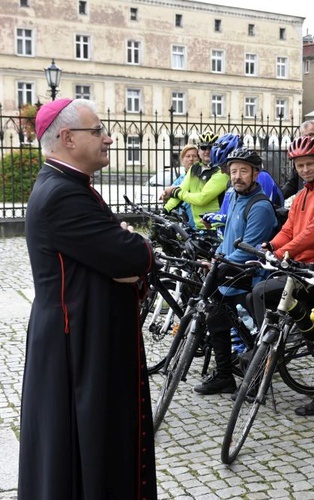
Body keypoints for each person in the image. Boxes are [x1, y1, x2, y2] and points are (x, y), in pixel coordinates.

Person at [19, 98, 157, 499]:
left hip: (82, 335)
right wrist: (133, 243)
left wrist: (123, 248)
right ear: (67, 138)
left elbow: (119, 255)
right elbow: (134, 256)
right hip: (76, 347)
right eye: (97, 131)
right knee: (83, 450)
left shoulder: (67, 186)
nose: (108, 138)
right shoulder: (63, 195)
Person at [252, 135, 314, 416]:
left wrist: (285, 251)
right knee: (259, 294)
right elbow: (291, 229)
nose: (304, 169)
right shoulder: (304, 194)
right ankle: (270, 349)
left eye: (309, 163)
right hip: (302, 270)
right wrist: (272, 244)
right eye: (299, 165)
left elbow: (312, 234)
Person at [193, 147, 278, 395]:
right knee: (216, 319)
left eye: (243, 171)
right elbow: (229, 239)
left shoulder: (260, 206)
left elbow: (249, 249)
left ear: (255, 174)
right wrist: (216, 257)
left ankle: (256, 377)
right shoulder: (236, 198)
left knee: (254, 335)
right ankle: (223, 376)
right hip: (231, 272)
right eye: (233, 171)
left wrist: (221, 263)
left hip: (249, 278)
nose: (237, 176)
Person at [162, 132, 232, 228]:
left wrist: (175, 192)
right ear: (198, 150)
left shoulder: (221, 172)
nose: (207, 151)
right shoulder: (194, 168)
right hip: (198, 227)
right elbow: (182, 189)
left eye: (210, 148)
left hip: (215, 227)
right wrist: (165, 210)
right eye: (203, 148)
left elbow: (201, 199)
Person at [171, 143, 200, 225]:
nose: (191, 159)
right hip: (185, 226)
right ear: (182, 160)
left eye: (194, 156)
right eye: (188, 156)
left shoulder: (204, 177)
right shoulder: (179, 181)